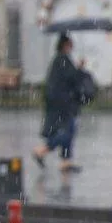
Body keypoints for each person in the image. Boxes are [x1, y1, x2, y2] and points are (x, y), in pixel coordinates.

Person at [32, 32, 94, 175]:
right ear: (65, 45)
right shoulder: (62, 60)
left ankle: (66, 162)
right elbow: (71, 78)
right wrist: (79, 68)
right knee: (67, 131)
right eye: (70, 44)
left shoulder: (60, 60)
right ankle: (41, 151)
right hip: (63, 103)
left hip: (60, 101)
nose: (72, 46)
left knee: (69, 130)